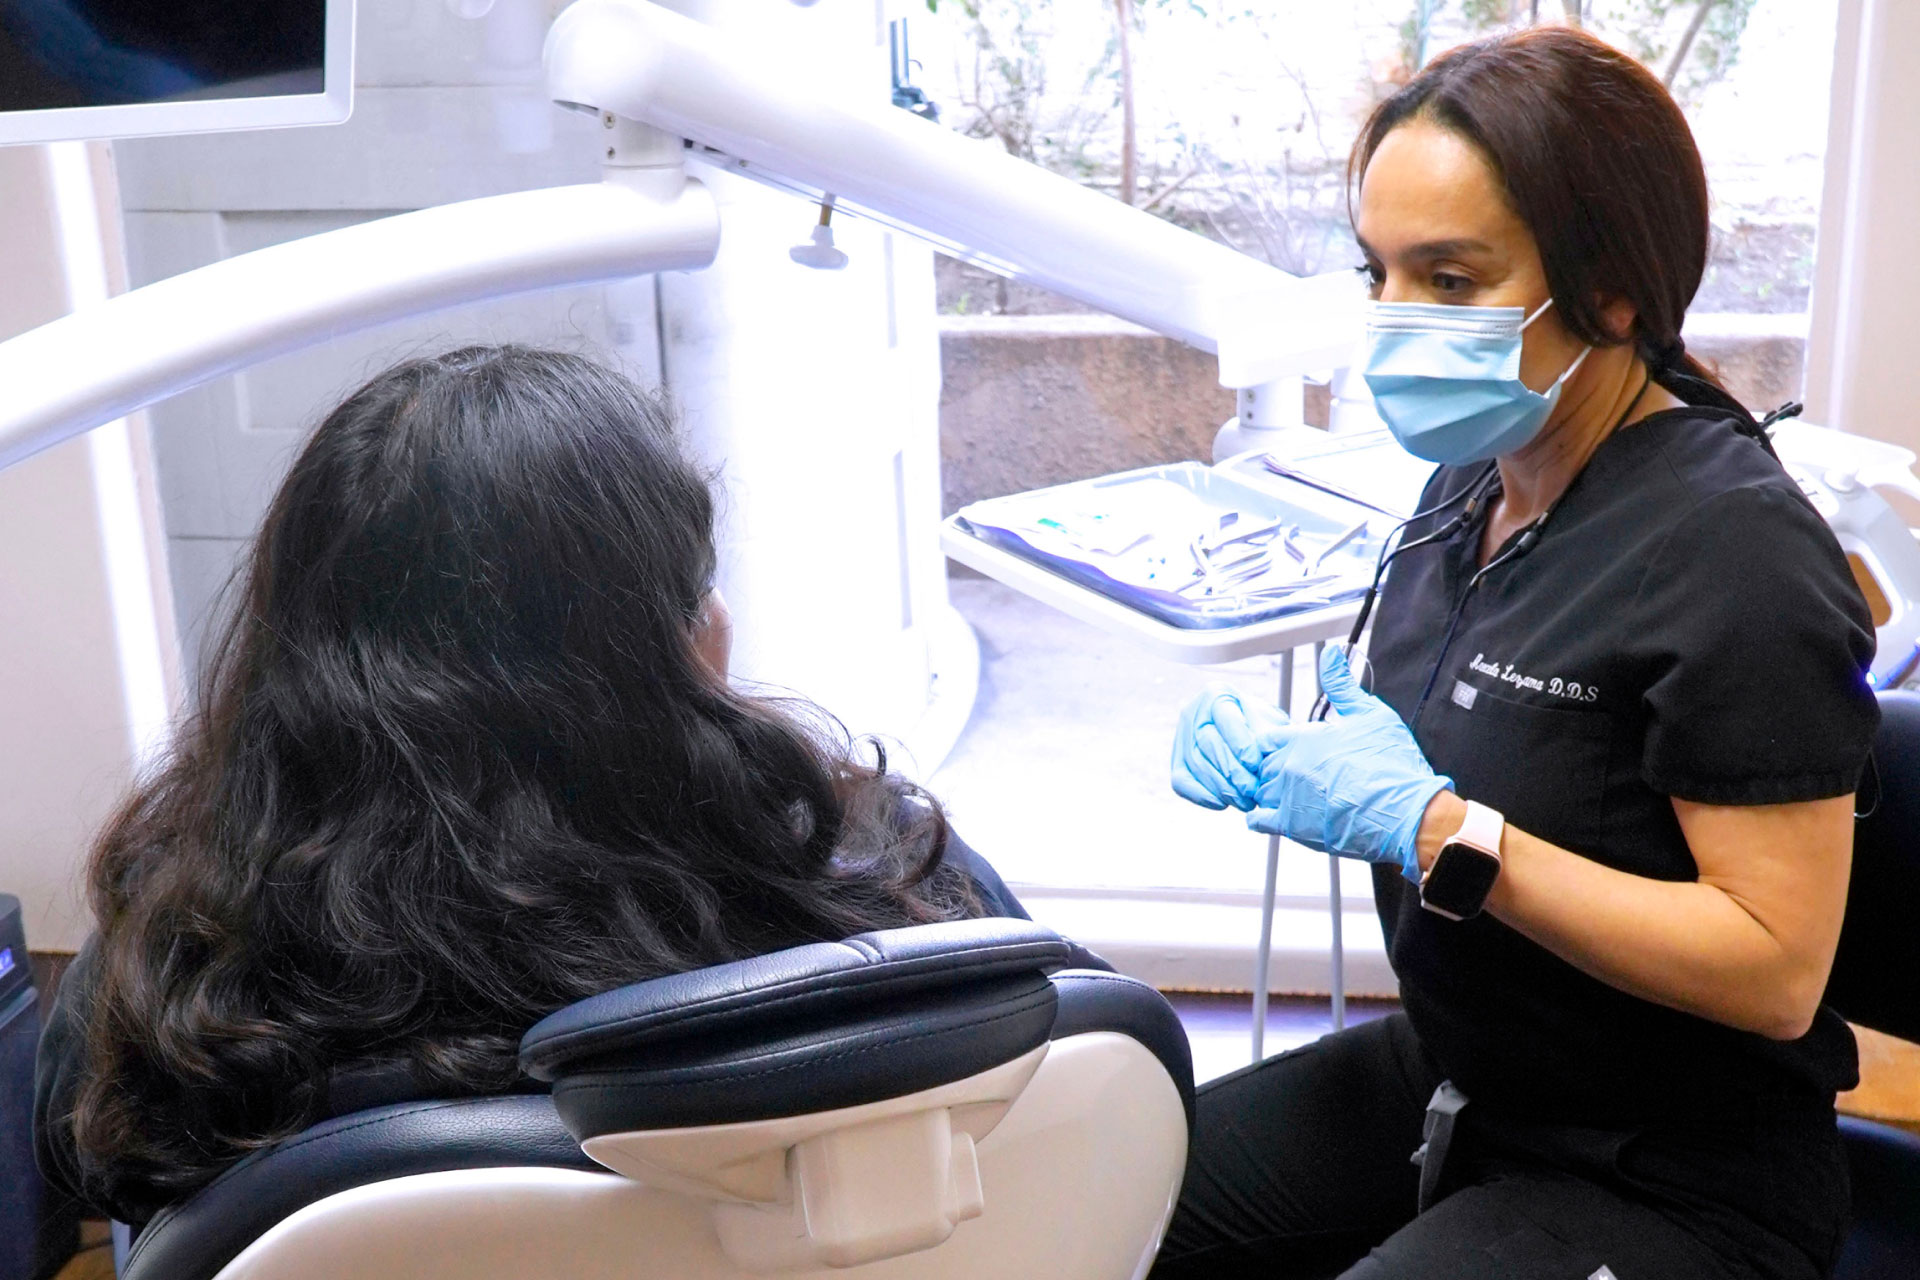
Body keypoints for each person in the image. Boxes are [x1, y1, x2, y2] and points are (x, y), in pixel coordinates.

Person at [34, 345, 1059, 1227]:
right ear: (683, 631)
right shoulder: (874, 871)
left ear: (297, 654)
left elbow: (92, 1166)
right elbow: (1084, 1063)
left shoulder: (176, 959)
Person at [1159, 26, 1874, 1280]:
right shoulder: (1467, 483)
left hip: (1672, 1174)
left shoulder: (1738, 555)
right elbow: (1476, 736)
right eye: (1377, 271)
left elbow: (1774, 969)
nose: (1393, 321)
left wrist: (1440, 832)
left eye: (1448, 279)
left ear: (1611, 288)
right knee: (1092, 1201)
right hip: (1457, 1072)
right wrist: (1306, 759)